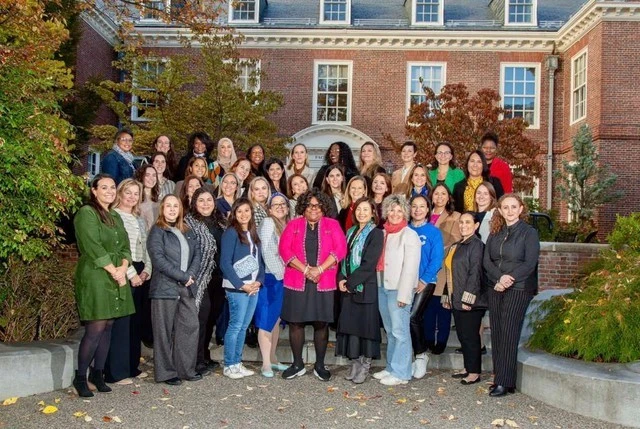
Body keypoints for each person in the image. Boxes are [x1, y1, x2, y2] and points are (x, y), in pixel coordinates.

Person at [72, 174, 135, 397]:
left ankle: (97, 374)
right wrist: (114, 270)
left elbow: (126, 246)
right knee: (95, 327)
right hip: (96, 275)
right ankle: (80, 377)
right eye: (104, 187)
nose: (109, 191)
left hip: (117, 274)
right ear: (94, 190)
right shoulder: (87, 213)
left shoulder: (115, 215)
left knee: (109, 325)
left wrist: (123, 267)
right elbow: (93, 246)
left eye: (112, 187)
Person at [278, 189, 347, 381]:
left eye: (317, 205)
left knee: (321, 323)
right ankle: (297, 364)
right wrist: (307, 270)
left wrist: (319, 269)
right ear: (303, 207)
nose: (313, 209)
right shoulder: (293, 224)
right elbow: (284, 249)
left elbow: (340, 248)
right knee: (296, 323)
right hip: (297, 281)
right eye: (309, 205)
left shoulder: (333, 224)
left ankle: (320, 365)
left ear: (324, 207)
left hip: (323, 281)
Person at [484, 194, 540, 397]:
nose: (509, 211)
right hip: (496, 286)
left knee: (509, 332)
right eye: (505, 207)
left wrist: (509, 279)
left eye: (513, 207)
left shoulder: (529, 233)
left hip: (518, 287)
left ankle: (504, 382)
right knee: (498, 332)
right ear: (499, 210)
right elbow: (487, 260)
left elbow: (529, 263)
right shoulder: (495, 232)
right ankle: (501, 377)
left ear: (521, 208)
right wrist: (499, 278)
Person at [147, 195, 202, 386]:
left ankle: (186, 369)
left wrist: (190, 275)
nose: (172, 209)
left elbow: (197, 254)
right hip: (165, 288)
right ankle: (166, 373)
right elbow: (158, 259)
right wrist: (182, 276)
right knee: (163, 333)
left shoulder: (187, 230)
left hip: (186, 286)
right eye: (168, 206)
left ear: (180, 209)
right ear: (162, 209)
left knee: (190, 326)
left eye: (175, 206)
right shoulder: (157, 230)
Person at [106, 179, 152, 385]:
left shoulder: (139, 219)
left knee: (136, 322)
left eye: (136, 193)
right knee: (122, 323)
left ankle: (133, 366)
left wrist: (147, 270)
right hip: (123, 270)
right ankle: (116, 372)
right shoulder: (113, 216)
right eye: (128, 192)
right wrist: (132, 274)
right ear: (120, 193)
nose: (132, 197)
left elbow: (146, 246)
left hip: (141, 270)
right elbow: (118, 249)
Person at [372, 195, 421, 386]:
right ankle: (391, 367)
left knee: (400, 332)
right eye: (391, 209)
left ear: (405, 213)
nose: (395, 213)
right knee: (391, 331)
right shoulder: (383, 233)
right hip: (382, 286)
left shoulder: (409, 235)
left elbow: (410, 268)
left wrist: (404, 294)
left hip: (398, 289)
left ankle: (402, 373)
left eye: (399, 210)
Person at [336, 197, 384, 384]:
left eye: (366, 209)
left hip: (364, 287)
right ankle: (355, 363)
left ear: (373, 212)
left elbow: (369, 263)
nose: (361, 213)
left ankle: (365, 365)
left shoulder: (376, 233)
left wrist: (350, 283)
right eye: (358, 209)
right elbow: (343, 258)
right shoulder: (350, 231)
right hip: (349, 286)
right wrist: (341, 278)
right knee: (352, 328)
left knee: (365, 328)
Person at [219, 198, 265, 379]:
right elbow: (225, 263)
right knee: (235, 325)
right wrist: (242, 285)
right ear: (234, 214)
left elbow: (259, 261)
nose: (243, 214)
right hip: (237, 288)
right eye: (239, 211)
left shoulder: (253, 233)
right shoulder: (231, 233)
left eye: (247, 210)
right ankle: (229, 365)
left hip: (253, 287)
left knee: (244, 326)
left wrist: (259, 281)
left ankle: (237, 363)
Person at [441, 212, 487, 385]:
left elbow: (475, 273)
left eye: (468, 222)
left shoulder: (477, 246)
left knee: (470, 337)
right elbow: (450, 273)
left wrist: (468, 299)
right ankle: (468, 367)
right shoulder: (457, 245)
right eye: (461, 222)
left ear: (476, 226)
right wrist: (447, 295)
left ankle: (474, 372)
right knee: (462, 335)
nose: (463, 225)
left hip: (471, 301)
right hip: (456, 297)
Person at [185, 188, 226, 376]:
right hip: (200, 278)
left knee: (211, 318)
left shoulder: (221, 222)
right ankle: (195, 360)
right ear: (194, 203)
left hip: (218, 278)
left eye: (209, 200)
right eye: (201, 200)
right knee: (201, 319)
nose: (205, 204)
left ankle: (205, 354)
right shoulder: (189, 223)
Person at [408, 195, 444, 379]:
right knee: (406, 318)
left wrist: (423, 280)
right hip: (406, 282)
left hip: (426, 281)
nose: (418, 210)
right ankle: (409, 356)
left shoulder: (433, 232)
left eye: (422, 206)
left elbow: (437, 259)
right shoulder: (405, 229)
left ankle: (421, 355)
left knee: (413, 316)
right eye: (414, 206)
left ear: (428, 209)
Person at [256, 193, 291, 377]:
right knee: (266, 320)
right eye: (275, 204)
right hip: (272, 278)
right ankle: (265, 364)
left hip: (282, 278)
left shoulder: (287, 225)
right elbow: (266, 251)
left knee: (276, 320)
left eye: (282, 204)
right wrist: (280, 273)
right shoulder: (268, 223)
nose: (280, 207)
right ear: (269, 209)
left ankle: (273, 358)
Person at [427, 184, 462, 355]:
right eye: (436, 194)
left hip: (443, 267)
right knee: (427, 307)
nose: (439, 197)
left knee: (442, 307)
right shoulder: (424, 214)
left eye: (443, 194)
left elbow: (457, 242)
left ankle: (441, 341)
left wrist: (436, 251)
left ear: (449, 197)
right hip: (424, 268)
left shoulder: (456, 217)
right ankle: (427, 339)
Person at [135, 165, 160, 231]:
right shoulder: (135, 199)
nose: (151, 178)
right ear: (141, 177)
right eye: (147, 175)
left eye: (154, 175)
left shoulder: (159, 200)